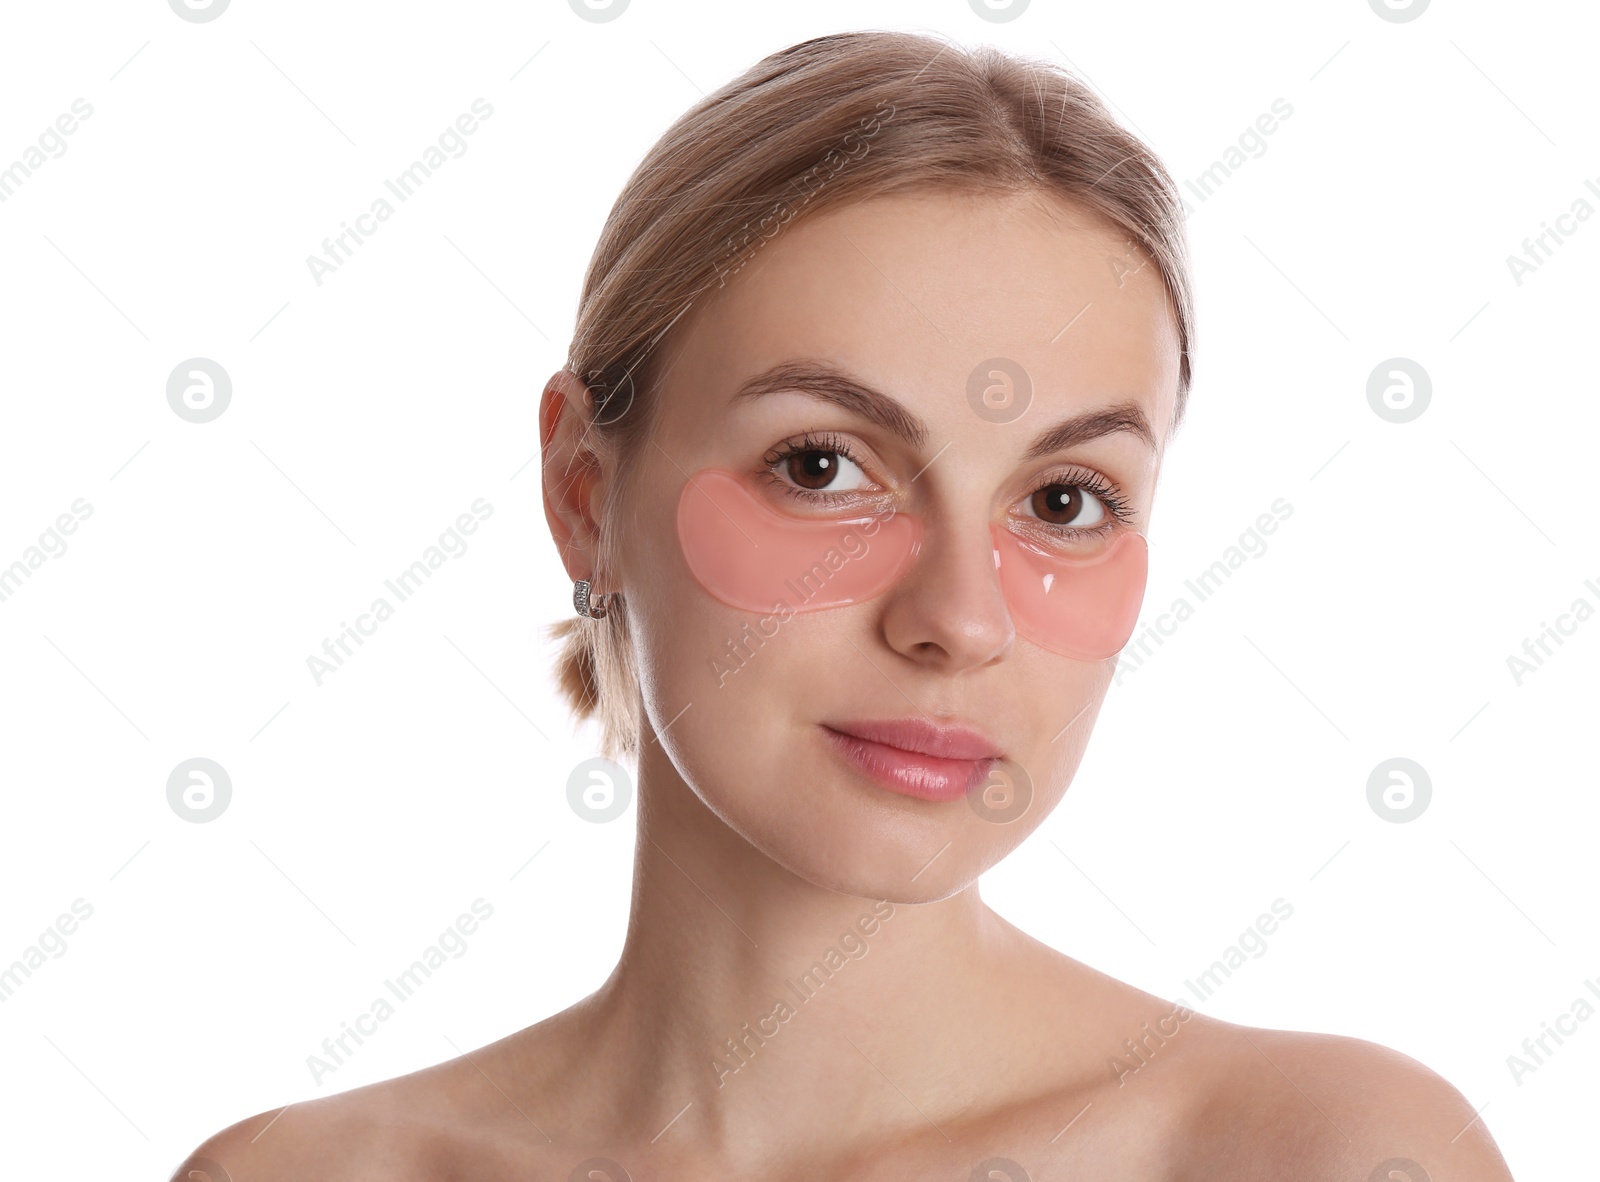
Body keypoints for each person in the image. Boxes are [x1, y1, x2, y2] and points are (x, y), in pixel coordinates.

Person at [176, 29, 1514, 1180]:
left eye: (1064, 500)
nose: (962, 618)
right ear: (586, 490)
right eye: (822, 466)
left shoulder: (1320, 1153)